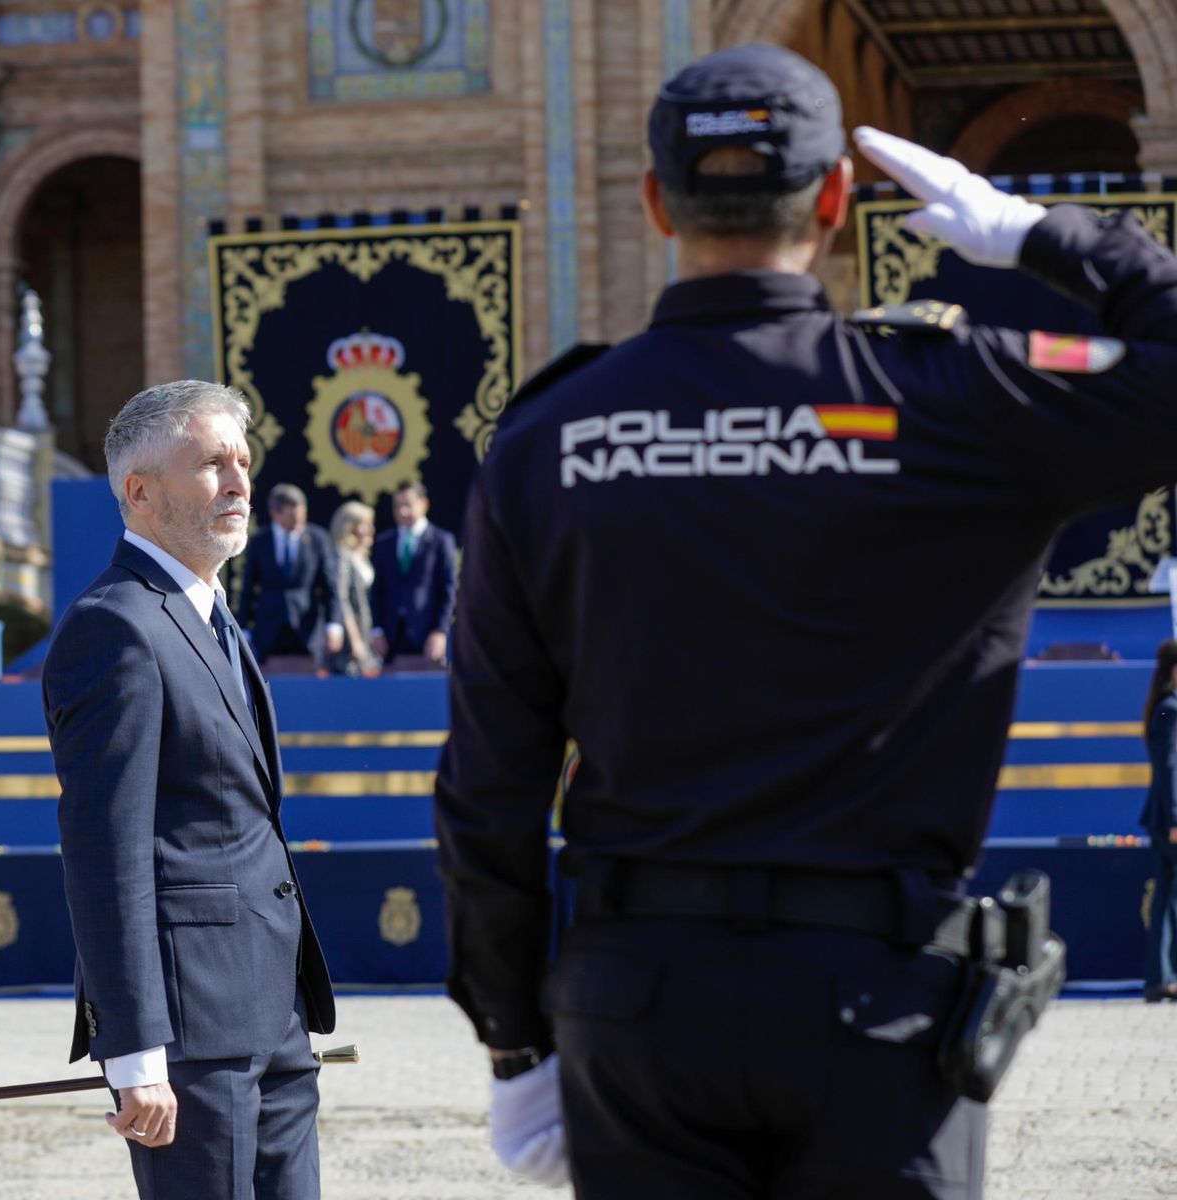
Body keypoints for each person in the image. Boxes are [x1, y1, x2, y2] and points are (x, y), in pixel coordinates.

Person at [434, 42, 1177, 1199]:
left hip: (639, 1009)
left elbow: (490, 777)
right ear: (834, 199)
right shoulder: (949, 396)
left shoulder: (549, 437)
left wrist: (513, 1039)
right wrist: (1035, 234)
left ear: (655, 203)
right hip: (878, 1008)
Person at [43, 379, 336, 1200]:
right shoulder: (114, 626)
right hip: (190, 1034)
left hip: (275, 1010)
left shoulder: (211, 616)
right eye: (211, 464)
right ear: (140, 493)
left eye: (242, 460)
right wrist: (135, 1052)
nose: (240, 481)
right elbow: (107, 853)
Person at [237, 483, 343, 668]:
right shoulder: (259, 541)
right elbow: (248, 588)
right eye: (292, 517)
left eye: (302, 516)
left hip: (307, 628)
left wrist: (333, 624)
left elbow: (330, 586)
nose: (298, 523)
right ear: (275, 513)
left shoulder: (318, 538)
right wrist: (243, 628)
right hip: (269, 629)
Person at [369, 481, 456, 666]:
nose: (402, 511)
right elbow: (377, 590)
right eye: (397, 506)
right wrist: (377, 630)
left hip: (427, 636)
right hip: (391, 638)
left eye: (407, 505)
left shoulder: (441, 541)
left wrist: (440, 631)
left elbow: (448, 591)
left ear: (424, 504)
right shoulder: (384, 542)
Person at [1140, 641, 1177, 1003]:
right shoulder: (1171, 710)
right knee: (1168, 900)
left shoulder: (1163, 708)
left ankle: (1161, 978)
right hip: (1170, 819)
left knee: (1166, 898)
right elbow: (1170, 769)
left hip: (1162, 817)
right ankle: (1164, 977)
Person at [327, 501, 380, 677]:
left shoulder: (363, 558)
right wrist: (356, 640)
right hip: (350, 644)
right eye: (365, 525)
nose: (371, 529)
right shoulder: (343, 557)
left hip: (368, 634)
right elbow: (342, 600)